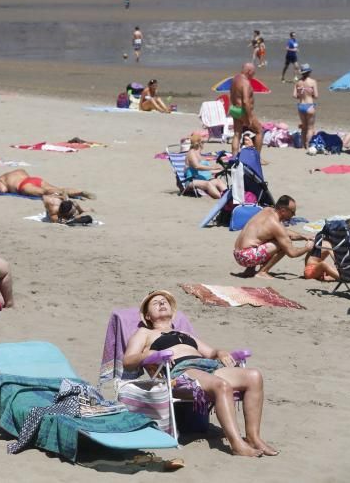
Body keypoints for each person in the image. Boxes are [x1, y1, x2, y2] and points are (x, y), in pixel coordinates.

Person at [124, 290, 278, 457]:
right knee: (221, 385)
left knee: (254, 376)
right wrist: (150, 355)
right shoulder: (145, 334)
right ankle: (236, 444)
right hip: (181, 371)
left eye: (164, 301)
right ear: (148, 316)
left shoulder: (185, 334)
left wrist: (221, 353)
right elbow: (128, 361)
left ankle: (253, 437)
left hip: (208, 366)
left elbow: (211, 352)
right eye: (155, 303)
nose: (161, 303)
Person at [233, 195, 314, 278]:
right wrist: (307, 248)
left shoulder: (267, 210)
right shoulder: (275, 225)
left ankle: (249, 270)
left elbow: (283, 232)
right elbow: (292, 253)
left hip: (237, 253)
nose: (294, 215)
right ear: (283, 211)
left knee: (267, 238)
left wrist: (303, 236)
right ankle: (263, 272)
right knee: (283, 246)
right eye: (292, 212)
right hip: (247, 257)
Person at [0, 169, 96, 201]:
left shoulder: (1, 178)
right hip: (34, 179)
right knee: (55, 188)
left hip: (23, 185)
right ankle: (79, 192)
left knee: (44, 192)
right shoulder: (19, 170)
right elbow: (27, 175)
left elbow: (2, 191)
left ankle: (61, 195)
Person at [229, 63, 262, 156]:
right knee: (259, 131)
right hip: (243, 111)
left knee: (237, 134)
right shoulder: (245, 82)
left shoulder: (235, 79)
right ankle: (256, 157)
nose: (253, 75)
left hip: (234, 109)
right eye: (253, 73)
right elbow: (245, 101)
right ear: (249, 71)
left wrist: (235, 106)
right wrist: (249, 117)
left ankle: (234, 157)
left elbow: (231, 94)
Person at [184, 133, 227, 199]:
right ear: (199, 143)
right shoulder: (191, 153)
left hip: (205, 179)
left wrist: (221, 170)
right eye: (203, 142)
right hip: (192, 180)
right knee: (208, 184)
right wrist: (213, 167)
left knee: (218, 181)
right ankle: (222, 199)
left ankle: (228, 197)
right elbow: (197, 167)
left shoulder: (199, 154)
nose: (204, 144)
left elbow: (206, 171)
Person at [293, 64, 318, 149]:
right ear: (309, 72)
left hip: (301, 106)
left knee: (304, 127)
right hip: (310, 105)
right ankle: (308, 144)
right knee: (310, 128)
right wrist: (310, 93)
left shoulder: (298, 82)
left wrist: (302, 93)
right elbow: (316, 96)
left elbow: (294, 96)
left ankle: (304, 145)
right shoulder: (313, 82)